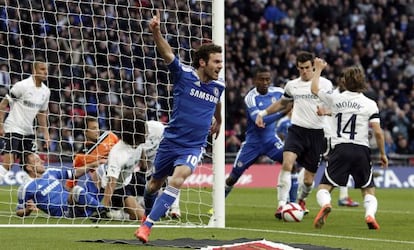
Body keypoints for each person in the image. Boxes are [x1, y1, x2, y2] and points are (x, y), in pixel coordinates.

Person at [135, 9, 224, 243]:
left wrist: (220, 119)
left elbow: (217, 104)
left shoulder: (218, 86)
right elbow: (168, 54)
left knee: (177, 179)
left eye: (221, 62)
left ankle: (147, 226)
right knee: (153, 185)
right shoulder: (184, 75)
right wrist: (156, 32)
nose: (220, 67)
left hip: (193, 147)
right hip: (171, 141)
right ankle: (148, 212)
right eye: (216, 62)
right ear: (202, 62)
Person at [310, 58, 388, 230]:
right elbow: (378, 132)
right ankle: (369, 215)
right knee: (368, 189)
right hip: (361, 149)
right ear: (362, 82)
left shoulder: (336, 98)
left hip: (340, 148)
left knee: (324, 187)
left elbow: (314, 89)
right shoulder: (370, 103)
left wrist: (318, 69)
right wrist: (382, 154)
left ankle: (326, 204)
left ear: (344, 81)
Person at [255, 51, 333, 219]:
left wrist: (325, 111)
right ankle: (281, 204)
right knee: (287, 163)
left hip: (317, 134)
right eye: (300, 68)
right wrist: (263, 113)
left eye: (307, 68)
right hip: (297, 130)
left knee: (308, 180)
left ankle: (301, 200)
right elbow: (282, 103)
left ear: (313, 66)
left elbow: (334, 107)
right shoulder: (292, 85)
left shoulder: (325, 84)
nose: (304, 71)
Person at [225, 66, 286, 198]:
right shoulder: (250, 98)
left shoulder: (279, 92)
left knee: (290, 164)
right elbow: (260, 121)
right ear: (254, 81)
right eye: (261, 79)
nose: (265, 82)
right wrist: (283, 113)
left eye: (267, 79)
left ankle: (287, 204)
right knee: (232, 178)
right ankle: (216, 206)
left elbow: (292, 98)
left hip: (271, 141)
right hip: (252, 144)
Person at [0, 58, 50, 181]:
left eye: (46, 70)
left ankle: (30, 193)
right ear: (34, 70)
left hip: (28, 131)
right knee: (8, 163)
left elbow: (42, 114)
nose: (45, 72)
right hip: (13, 128)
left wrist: (46, 134)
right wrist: (0, 125)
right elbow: (2, 104)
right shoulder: (22, 86)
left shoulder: (46, 91)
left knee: (32, 164)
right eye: (42, 69)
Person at [16, 152, 107, 219]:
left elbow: (74, 173)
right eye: (37, 161)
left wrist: (94, 164)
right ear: (28, 167)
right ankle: (104, 210)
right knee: (76, 190)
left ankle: (113, 205)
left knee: (101, 171)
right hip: (66, 211)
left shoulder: (50, 172)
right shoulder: (26, 188)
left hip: (78, 202)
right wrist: (27, 210)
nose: (42, 162)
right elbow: (19, 211)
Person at [98, 110, 147, 221]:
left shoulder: (139, 143)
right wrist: (102, 208)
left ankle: (121, 212)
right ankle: (113, 210)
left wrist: (144, 168)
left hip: (128, 180)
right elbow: (112, 182)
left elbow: (142, 154)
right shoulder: (117, 153)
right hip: (117, 189)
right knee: (141, 217)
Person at [66, 116, 119, 190]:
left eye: (97, 128)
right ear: (85, 132)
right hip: (104, 185)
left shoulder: (110, 136)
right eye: (94, 128)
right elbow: (71, 182)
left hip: (121, 175)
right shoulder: (81, 156)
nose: (97, 131)